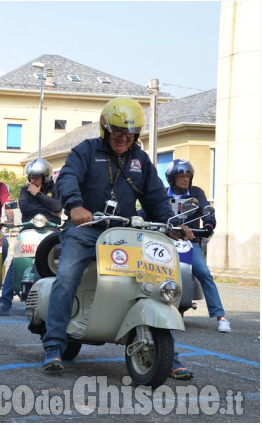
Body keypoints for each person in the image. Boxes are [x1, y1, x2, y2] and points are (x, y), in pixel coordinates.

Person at [41, 97, 195, 380]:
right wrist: (75, 205)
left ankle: (168, 353)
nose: (124, 138)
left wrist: (172, 223)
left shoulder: (140, 160)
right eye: (118, 132)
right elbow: (67, 178)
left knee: (157, 281)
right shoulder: (85, 151)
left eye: (130, 133)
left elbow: (156, 196)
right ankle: (53, 344)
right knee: (67, 275)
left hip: (125, 232)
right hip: (87, 228)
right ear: (104, 128)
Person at [165, 159, 230, 333]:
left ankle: (221, 317)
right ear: (171, 178)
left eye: (188, 175)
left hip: (188, 242)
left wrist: (208, 225)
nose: (185, 179)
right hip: (164, 241)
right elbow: (147, 210)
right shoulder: (162, 194)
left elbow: (207, 209)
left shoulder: (196, 193)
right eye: (180, 176)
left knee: (204, 273)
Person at [0, 158, 62, 316]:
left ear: (46, 176)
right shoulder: (25, 190)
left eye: (36, 177)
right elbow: (26, 209)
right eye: (30, 177)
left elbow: (58, 207)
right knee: (15, 261)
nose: (32, 180)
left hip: (51, 230)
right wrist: (48, 208)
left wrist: (38, 195)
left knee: (57, 263)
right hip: (29, 229)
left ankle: (57, 302)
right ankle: (4, 302)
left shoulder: (55, 188)